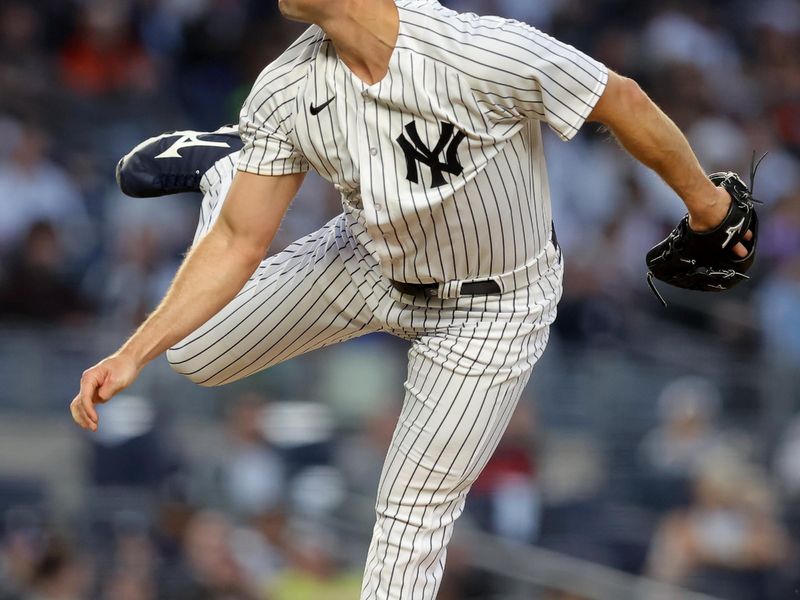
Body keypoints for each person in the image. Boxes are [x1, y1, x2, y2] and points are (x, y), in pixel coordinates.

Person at [71, 1, 752, 597]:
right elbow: (240, 242)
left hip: (490, 308)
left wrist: (707, 206)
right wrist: (134, 352)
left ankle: (238, 167)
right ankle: (232, 167)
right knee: (190, 349)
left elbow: (621, 98)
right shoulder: (285, 86)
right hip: (367, 258)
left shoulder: (477, 51)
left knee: (409, 517)